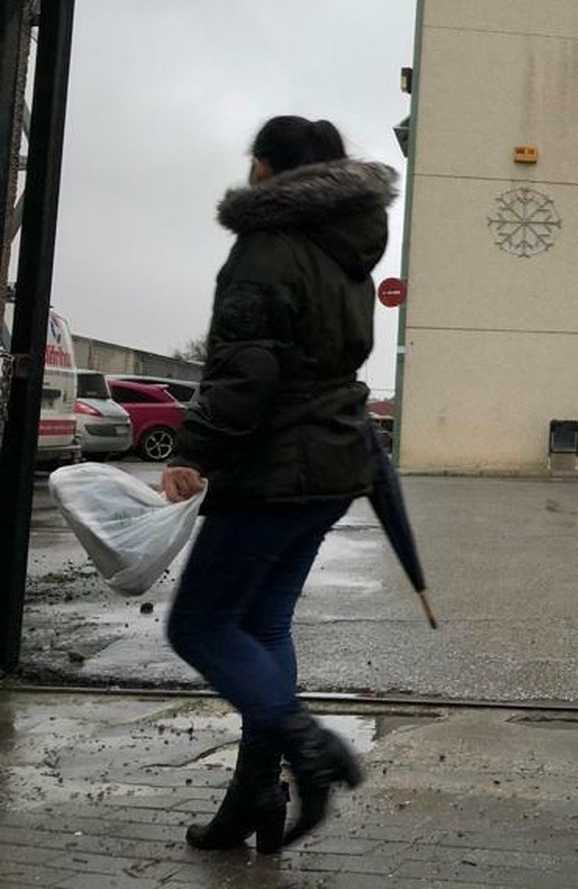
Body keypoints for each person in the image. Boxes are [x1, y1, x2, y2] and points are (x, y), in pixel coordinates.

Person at [161, 116, 398, 854]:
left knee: (198, 625)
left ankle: (306, 745)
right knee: (261, 626)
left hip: (275, 467)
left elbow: (247, 369)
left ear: (270, 170)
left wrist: (193, 451)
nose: (250, 171)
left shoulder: (268, 245)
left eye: (254, 159)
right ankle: (253, 794)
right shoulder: (350, 249)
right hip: (333, 463)